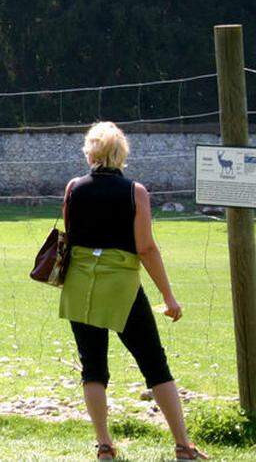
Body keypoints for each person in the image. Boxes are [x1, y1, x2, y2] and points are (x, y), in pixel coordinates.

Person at [61, 122, 206, 460]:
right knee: (155, 363)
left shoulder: (72, 188)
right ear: (121, 153)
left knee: (92, 365)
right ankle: (183, 445)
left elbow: (71, 236)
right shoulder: (135, 192)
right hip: (121, 286)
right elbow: (146, 248)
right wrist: (168, 297)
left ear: (91, 151)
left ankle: (104, 444)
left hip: (80, 284)